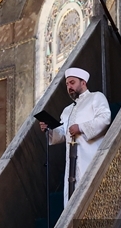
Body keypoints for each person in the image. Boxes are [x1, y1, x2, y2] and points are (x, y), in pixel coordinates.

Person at [38, 67, 112, 205]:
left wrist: (81, 128)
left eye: (72, 83)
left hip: (90, 158)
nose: (69, 87)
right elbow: (62, 134)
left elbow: (105, 118)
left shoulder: (96, 97)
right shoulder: (67, 110)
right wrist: (49, 129)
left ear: (83, 83)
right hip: (71, 162)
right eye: (67, 84)